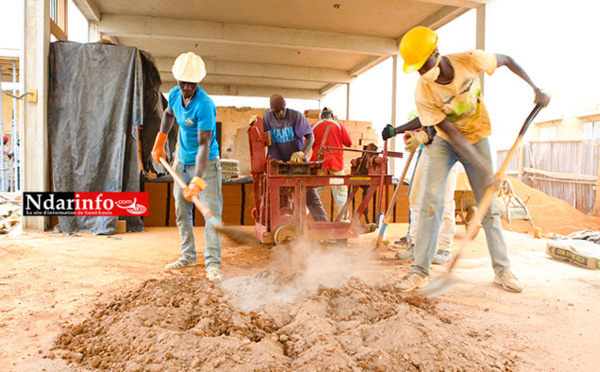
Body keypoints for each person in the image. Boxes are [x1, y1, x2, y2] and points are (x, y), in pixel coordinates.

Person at [390, 26, 550, 293]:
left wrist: (535, 88)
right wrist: (485, 167)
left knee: (490, 208)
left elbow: (507, 60)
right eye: (416, 69)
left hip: (478, 137)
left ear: (436, 53)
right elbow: (451, 132)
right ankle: (419, 272)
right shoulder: (423, 93)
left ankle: (503, 270)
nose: (422, 73)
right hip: (444, 143)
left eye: (424, 65)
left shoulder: (469, 59)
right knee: (430, 203)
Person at [151, 52, 223, 281]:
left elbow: (204, 145)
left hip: (206, 164)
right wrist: (160, 142)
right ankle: (188, 255)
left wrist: (197, 179)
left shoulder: (205, 106)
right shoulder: (173, 94)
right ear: (178, 80)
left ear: (198, 82)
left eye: (191, 83)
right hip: (181, 161)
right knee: (182, 212)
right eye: (183, 82)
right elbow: (168, 114)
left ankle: (212, 263)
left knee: (211, 215)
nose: (186, 87)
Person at [392, 125, 458, 265]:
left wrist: (423, 134)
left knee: (444, 200)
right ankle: (417, 245)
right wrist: (418, 134)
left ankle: (444, 249)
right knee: (416, 198)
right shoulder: (427, 104)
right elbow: (424, 120)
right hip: (428, 149)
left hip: (448, 148)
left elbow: (445, 121)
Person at [262, 94, 328, 222]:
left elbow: (310, 137)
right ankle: (279, 228)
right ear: (272, 110)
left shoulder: (295, 116)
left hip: (298, 165)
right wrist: (256, 123)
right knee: (276, 201)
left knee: (311, 199)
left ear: (285, 106)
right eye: (277, 111)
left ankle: (324, 228)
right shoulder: (267, 118)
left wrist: (302, 153)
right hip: (278, 167)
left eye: (282, 109)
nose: (281, 113)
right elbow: (259, 136)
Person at [309, 107, 352, 221]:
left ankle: (299, 219)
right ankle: (343, 220)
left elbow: (307, 143)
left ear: (321, 116)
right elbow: (349, 143)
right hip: (335, 165)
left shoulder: (314, 126)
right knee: (341, 193)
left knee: (311, 194)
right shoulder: (338, 125)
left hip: (318, 165)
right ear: (332, 116)